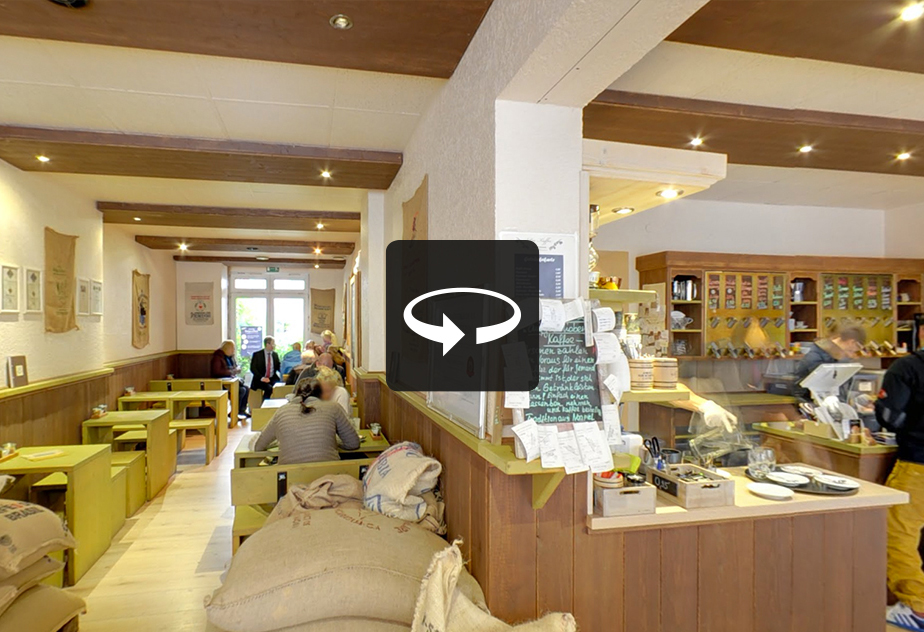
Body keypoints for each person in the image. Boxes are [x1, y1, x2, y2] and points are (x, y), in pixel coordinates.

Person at [877, 327, 924, 630]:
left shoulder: (908, 367)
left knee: (897, 534)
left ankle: (917, 606)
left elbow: (889, 417)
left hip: (918, 464)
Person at [254, 377, 360, 464]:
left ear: (295, 394)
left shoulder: (282, 411)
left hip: (289, 476)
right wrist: (332, 440)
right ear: (321, 394)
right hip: (327, 474)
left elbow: (259, 446)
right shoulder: (333, 407)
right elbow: (353, 443)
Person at [793, 324, 867, 402]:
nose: (852, 355)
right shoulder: (814, 357)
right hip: (811, 404)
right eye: (853, 350)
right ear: (851, 342)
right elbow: (820, 387)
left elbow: (844, 388)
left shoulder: (838, 358)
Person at [210, 340, 250, 417]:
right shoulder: (218, 357)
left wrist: (237, 369)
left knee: (246, 389)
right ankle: (234, 413)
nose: (233, 350)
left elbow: (234, 367)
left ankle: (241, 411)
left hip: (231, 381)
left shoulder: (230, 357)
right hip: (221, 384)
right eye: (232, 348)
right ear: (227, 348)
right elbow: (217, 372)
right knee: (241, 391)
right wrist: (232, 371)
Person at [249, 336, 281, 401]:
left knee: (280, 387)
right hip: (260, 379)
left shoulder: (275, 355)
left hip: (272, 378)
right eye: (273, 344)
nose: (274, 346)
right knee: (269, 388)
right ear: (267, 344)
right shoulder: (257, 355)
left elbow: (278, 367)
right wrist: (262, 378)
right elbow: (253, 368)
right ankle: (265, 404)